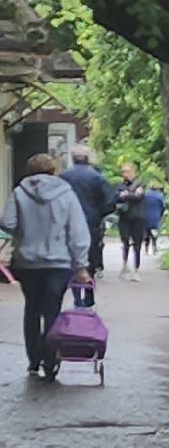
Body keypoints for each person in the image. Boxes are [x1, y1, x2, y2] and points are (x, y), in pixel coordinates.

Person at [1, 153, 91, 378]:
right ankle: (50, 360)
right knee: (52, 309)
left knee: (31, 308)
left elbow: (8, 222)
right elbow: (77, 232)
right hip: (59, 264)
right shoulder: (66, 193)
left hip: (27, 263)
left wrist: (25, 229)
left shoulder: (19, 192)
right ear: (53, 170)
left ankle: (33, 360)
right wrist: (80, 265)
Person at [58, 144, 112, 305]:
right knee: (90, 259)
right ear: (87, 159)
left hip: (67, 224)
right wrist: (99, 214)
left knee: (72, 258)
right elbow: (110, 201)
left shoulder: (63, 177)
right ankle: (88, 295)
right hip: (91, 223)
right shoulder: (97, 177)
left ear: (73, 158)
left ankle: (76, 297)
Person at [113, 162, 148, 274]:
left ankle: (136, 269)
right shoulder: (119, 185)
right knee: (125, 241)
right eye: (123, 171)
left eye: (127, 171)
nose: (125, 174)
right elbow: (116, 197)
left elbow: (138, 196)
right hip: (124, 217)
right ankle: (125, 264)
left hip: (138, 217)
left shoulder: (140, 184)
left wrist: (126, 195)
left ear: (133, 172)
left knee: (137, 243)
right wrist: (128, 194)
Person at [142, 184, 166, 255]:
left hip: (145, 216)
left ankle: (146, 249)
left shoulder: (145, 194)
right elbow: (163, 207)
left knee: (146, 233)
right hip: (155, 216)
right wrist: (161, 215)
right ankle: (154, 248)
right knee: (154, 233)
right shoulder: (160, 195)